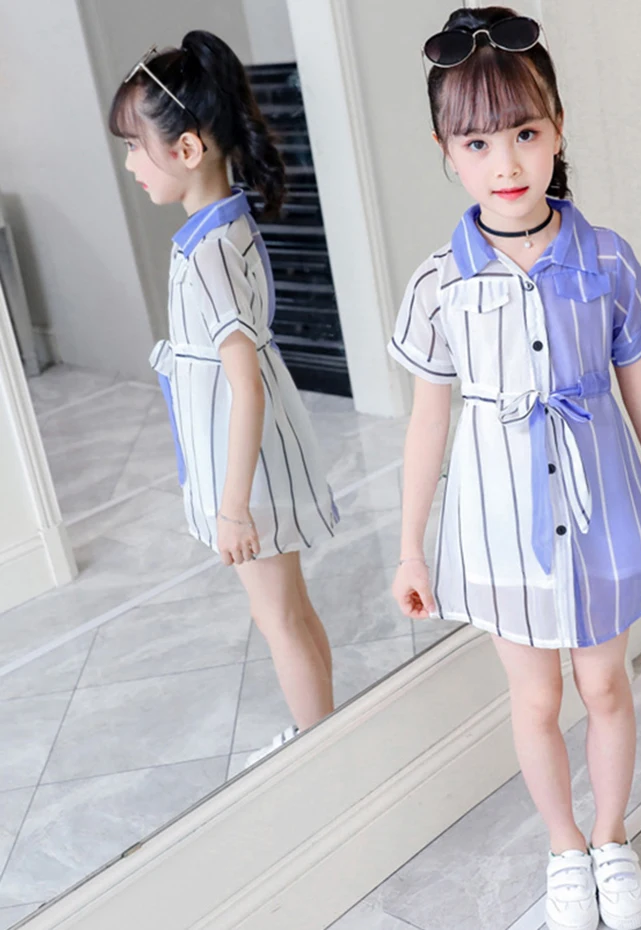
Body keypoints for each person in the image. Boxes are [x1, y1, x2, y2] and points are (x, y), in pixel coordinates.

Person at [389, 8, 641, 929]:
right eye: (478, 142)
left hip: (602, 506)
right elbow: (427, 422)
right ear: (447, 152)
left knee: (604, 684)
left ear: (558, 128)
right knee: (534, 698)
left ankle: (611, 837)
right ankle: (564, 846)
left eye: (525, 133)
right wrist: (411, 548)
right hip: (500, 524)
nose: (506, 162)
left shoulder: (606, 258)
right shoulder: (439, 285)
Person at [109, 31, 339, 768]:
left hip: (246, 466)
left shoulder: (208, 253)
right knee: (290, 609)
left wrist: (233, 505)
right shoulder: (225, 225)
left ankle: (321, 754)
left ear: (186, 149)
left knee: (277, 617)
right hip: (252, 455)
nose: (129, 163)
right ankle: (329, 735)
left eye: (135, 147)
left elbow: (243, 384)